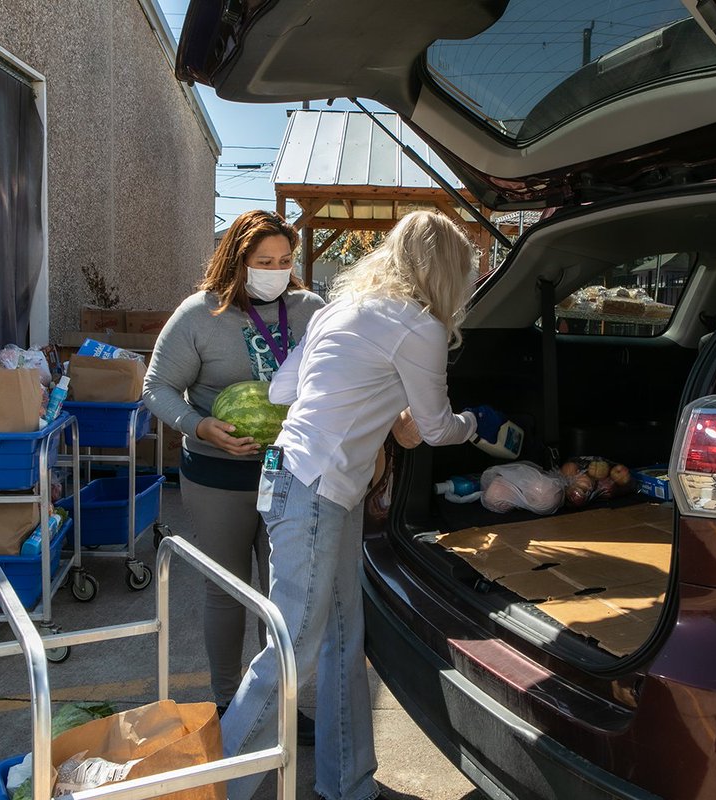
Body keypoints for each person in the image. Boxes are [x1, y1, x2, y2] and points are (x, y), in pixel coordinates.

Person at [220, 211, 507, 800]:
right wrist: (478, 423)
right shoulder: (419, 327)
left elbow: (281, 391)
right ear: (445, 271)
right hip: (318, 493)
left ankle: (348, 786)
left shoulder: (335, 310)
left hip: (298, 483)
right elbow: (431, 427)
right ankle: (209, 787)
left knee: (342, 638)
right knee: (292, 652)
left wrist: (370, 395)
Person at [142, 210, 325, 742]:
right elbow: (156, 389)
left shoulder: (311, 310)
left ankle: (281, 703)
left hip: (292, 475)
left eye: (285, 261)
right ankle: (229, 704)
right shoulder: (199, 314)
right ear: (238, 261)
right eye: (263, 262)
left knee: (284, 594)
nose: (276, 270)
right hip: (217, 478)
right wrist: (199, 427)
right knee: (227, 591)